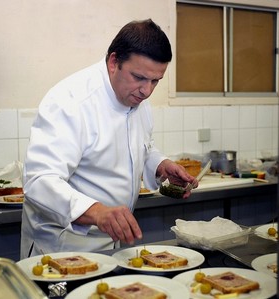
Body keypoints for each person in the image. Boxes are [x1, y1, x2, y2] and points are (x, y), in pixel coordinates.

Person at [20, 19, 197, 259]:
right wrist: (96, 211)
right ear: (114, 62)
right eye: (139, 77)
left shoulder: (137, 100)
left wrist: (160, 166)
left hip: (114, 247)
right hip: (62, 248)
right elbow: (39, 181)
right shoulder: (71, 101)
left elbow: (140, 146)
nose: (147, 91)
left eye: (155, 81)